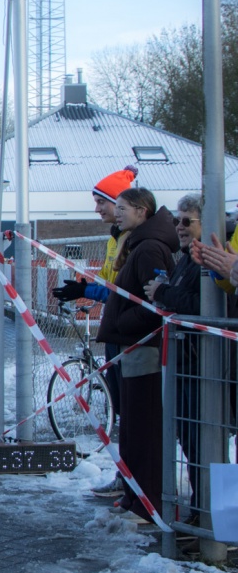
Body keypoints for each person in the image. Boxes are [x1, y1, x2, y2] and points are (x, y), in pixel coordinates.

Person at [52, 165, 137, 500]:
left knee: (132, 412)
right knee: (122, 410)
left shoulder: (133, 240)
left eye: (102, 202)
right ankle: (126, 478)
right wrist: (87, 289)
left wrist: (91, 291)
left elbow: (125, 290)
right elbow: (111, 284)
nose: (97, 209)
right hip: (116, 330)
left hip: (129, 334)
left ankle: (136, 484)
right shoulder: (115, 238)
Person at [96, 187, 176, 523]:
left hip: (145, 350)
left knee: (144, 429)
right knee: (130, 427)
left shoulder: (149, 249)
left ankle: (148, 503)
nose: (116, 213)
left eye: (122, 208)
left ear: (142, 211)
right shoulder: (136, 244)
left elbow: (156, 304)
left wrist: (123, 323)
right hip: (132, 347)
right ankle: (134, 496)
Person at [144, 194, 202, 527]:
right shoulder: (186, 258)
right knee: (190, 441)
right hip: (186, 364)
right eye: (177, 220)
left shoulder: (205, 259)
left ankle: (206, 515)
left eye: (186, 221)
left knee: (201, 441)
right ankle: (200, 510)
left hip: (202, 366)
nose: (179, 227)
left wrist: (163, 292)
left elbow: (202, 304)